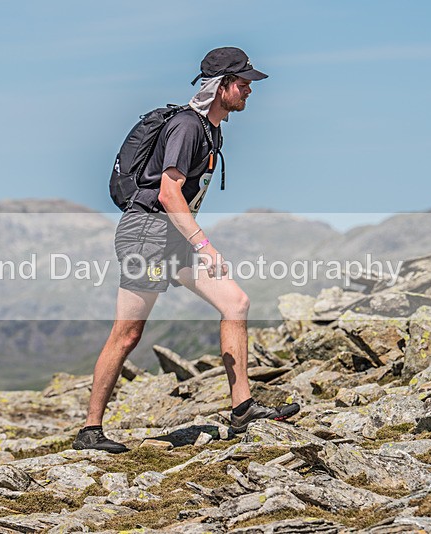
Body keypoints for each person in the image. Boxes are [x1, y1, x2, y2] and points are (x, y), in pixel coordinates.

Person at [73, 47, 300, 453]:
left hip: (171, 237)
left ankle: (243, 407)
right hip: (147, 234)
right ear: (221, 86)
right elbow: (168, 191)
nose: (250, 89)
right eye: (243, 82)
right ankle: (90, 431)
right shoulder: (187, 127)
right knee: (127, 334)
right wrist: (203, 244)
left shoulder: (212, 129)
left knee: (236, 302)